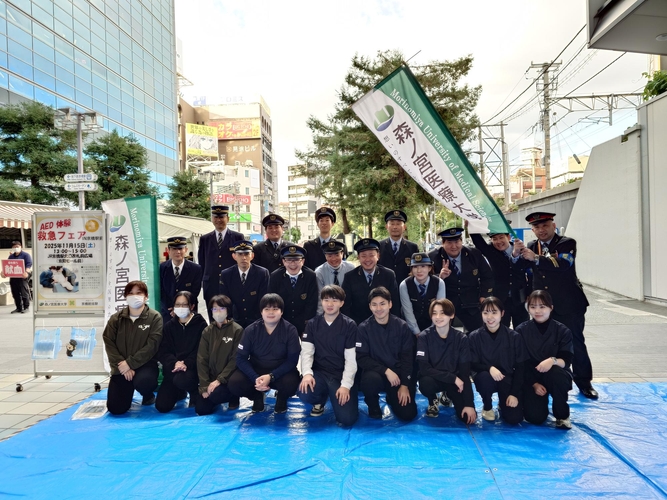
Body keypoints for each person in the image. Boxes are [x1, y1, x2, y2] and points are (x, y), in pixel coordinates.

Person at [515, 211, 597, 399]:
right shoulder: (531, 246)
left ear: (553, 225)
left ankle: (584, 382)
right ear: (532, 230)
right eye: (536, 227)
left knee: (575, 343)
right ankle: (548, 380)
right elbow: (524, 270)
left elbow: (563, 264)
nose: (541, 230)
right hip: (541, 307)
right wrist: (517, 254)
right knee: (542, 344)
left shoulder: (566, 243)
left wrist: (535, 258)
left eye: (545, 225)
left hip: (568, 304)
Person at [229, 294, 301, 414]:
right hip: (256, 369)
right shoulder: (251, 330)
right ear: (261, 311)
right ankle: (257, 396)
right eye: (267, 309)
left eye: (275, 309)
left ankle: (282, 398)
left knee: (292, 384)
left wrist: (271, 376)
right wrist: (254, 377)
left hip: (281, 371)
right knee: (234, 383)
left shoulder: (290, 330)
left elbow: (292, 361)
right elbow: (241, 358)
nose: (271, 312)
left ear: (282, 312)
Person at [297, 285, 359, 426]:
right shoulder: (312, 324)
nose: (330, 304)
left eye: (334, 300)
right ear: (321, 302)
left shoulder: (349, 325)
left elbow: (351, 360)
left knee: (347, 419)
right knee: (305, 391)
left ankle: (335, 394)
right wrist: (307, 374)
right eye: (326, 300)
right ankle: (319, 401)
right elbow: (306, 353)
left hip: (340, 374)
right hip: (320, 373)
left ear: (342, 303)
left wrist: (345, 385)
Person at [516, 290, 574, 430]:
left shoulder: (562, 331)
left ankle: (562, 416)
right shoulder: (521, 331)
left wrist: (553, 360)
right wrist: (534, 384)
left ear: (551, 307)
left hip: (555, 374)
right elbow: (520, 363)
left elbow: (566, 360)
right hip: (531, 376)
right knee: (535, 418)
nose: (537, 311)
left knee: (557, 375)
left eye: (542, 306)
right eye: (533, 307)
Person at [356, 287, 417, 421]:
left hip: (398, 376)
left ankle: (392, 396)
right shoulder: (363, 328)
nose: (378, 308)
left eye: (382, 304)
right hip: (376, 373)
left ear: (390, 304)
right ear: (370, 307)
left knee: (408, 414)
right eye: (374, 304)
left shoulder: (402, 326)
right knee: (369, 380)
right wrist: (386, 371)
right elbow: (361, 358)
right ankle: (373, 405)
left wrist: (404, 385)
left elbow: (407, 358)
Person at [103, 281, 162, 415]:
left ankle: (147, 394)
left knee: (145, 382)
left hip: (145, 365)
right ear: (125, 296)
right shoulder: (116, 319)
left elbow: (152, 345)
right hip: (121, 367)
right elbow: (109, 342)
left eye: (138, 293)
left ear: (146, 296)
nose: (134, 296)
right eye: (131, 293)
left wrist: (130, 363)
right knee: (116, 409)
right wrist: (122, 365)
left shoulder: (154, 317)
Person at [416, 298, 476, 423]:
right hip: (436, 379)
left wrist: (469, 404)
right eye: (434, 313)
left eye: (442, 313)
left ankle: (447, 395)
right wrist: (452, 378)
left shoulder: (461, 339)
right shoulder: (424, 337)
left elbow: (465, 372)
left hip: (454, 382)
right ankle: (433, 399)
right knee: (425, 383)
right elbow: (424, 369)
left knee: (466, 418)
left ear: (452, 315)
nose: (438, 317)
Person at [468, 297, 525, 424]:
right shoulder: (474, 337)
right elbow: (472, 364)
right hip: (486, 378)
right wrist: (489, 368)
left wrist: (514, 394)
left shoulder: (514, 337)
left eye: (494, 312)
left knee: (514, 418)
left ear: (502, 313)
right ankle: (487, 406)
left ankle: (503, 402)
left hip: (507, 379)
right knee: (484, 378)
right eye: (485, 313)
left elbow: (520, 366)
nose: (490, 317)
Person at [428, 227, 494, 332]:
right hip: (445, 303)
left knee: (479, 333)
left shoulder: (474, 254)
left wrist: (484, 296)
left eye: (457, 242)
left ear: (461, 241)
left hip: (471, 302)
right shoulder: (433, 257)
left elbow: (487, 276)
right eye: (449, 242)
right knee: (442, 333)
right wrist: (439, 277)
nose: (454, 246)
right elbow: (426, 281)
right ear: (443, 243)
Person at [155, 291, 208, 413]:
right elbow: (163, 351)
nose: (180, 307)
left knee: (183, 380)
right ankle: (179, 392)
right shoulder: (169, 326)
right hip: (173, 370)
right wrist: (174, 363)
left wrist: (186, 363)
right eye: (177, 305)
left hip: (192, 370)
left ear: (192, 306)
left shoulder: (201, 325)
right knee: (162, 406)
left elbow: (201, 351)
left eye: (184, 305)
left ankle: (193, 391)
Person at [469, 227, 530, 328]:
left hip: (520, 298)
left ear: (508, 237)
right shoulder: (490, 251)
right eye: (495, 239)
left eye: (501, 237)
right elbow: (478, 241)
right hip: (500, 298)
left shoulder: (521, 250)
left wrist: (529, 292)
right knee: (501, 329)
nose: (498, 241)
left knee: (523, 329)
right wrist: (472, 226)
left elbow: (530, 273)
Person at [195, 294, 244, 416]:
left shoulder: (237, 330)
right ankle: (215, 395)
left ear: (228, 310)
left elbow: (235, 359)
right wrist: (204, 386)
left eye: (222, 308)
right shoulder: (207, 331)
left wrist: (219, 380)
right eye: (215, 309)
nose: (218, 312)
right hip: (211, 377)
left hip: (228, 378)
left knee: (217, 395)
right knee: (201, 409)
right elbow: (202, 359)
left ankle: (233, 396)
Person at [197, 205, 244, 321]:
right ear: (212, 219)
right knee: (213, 318)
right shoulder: (205, 239)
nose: (218, 220)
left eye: (222, 217)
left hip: (231, 283)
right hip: (211, 285)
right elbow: (202, 263)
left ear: (227, 218)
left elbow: (241, 260)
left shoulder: (237, 237)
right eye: (215, 217)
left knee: (232, 317)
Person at [342, 238, 400, 325]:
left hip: (383, 323)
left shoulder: (389, 275)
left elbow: (395, 304)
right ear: (358, 257)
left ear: (378, 256)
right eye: (363, 256)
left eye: (371, 255)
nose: (367, 259)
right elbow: (345, 306)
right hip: (358, 325)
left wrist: (393, 325)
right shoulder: (349, 277)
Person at [268, 245, 319, 336]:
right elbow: (272, 301)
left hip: (303, 324)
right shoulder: (275, 276)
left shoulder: (310, 276)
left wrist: (306, 326)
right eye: (288, 260)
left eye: (296, 260)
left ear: (303, 261)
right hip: (281, 323)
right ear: (283, 261)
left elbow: (312, 303)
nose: (292, 264)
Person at [219, 241, 269, 329]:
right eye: (240, 254)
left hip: (256, 321)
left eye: (246, 254)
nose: (244, 258)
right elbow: (225, 300)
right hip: (234, 321)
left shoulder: (262, 273)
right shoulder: (226, 274)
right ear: (234, 256)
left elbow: (263, 300)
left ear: (252, 255)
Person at [399, 252, 446, 335]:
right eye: (415, 267)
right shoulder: (404, 285)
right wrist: (416, 332)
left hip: (434, 324)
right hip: (411, 325)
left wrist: (432, 331)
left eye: (423, 266)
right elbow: (408, 311)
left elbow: (439, 309)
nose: (419, 270)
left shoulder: (439, 283)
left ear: (429, 268)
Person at [159, 236, 202, 323]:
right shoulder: (161, 268)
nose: (178, 252)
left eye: (180, 248)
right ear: (168, 250)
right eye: (174, 249)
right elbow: (160, 290)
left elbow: (195, 291)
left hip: (188, 310)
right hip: (168, 312)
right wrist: (172, 308)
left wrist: (181, 308)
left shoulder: (195, 269)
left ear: (186, 250)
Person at [378, 210, 419, 285]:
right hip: (384, 287)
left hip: (406, 287)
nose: (395, 227)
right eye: (392, 224)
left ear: (404, 227)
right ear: (386, 226)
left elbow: (416, 268)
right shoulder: (379, 246)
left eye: (398, 224)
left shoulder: (413, 247)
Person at [314, 240, 355, 314]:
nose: (333, 259)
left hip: (349, 309)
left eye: (337, 255)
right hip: (329, 309)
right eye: (330, 256)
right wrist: (321, 317)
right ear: (325, 256)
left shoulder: (351, 268)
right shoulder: (319, 272)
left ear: (342, 254)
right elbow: (320, 297)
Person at [303, 207, 338, 271]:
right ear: (317, 224)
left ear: (332, 224)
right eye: (321, 220)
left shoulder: (339, 246)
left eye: (327, 220)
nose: (324, 223)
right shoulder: (308, 246)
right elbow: (305, 269)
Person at [1, 241, 31, 313]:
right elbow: (7, 265)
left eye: (17, 247)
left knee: (24, 292)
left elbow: (29, 264)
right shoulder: (11, 256)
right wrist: (3, 272)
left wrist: (26, 272)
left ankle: (26, 307)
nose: (16, 248)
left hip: (22, 276)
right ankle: (18, 307)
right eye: (14, 247)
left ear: (21, 247)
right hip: (13, 277)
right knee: (15, 293)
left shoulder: (26, 255)